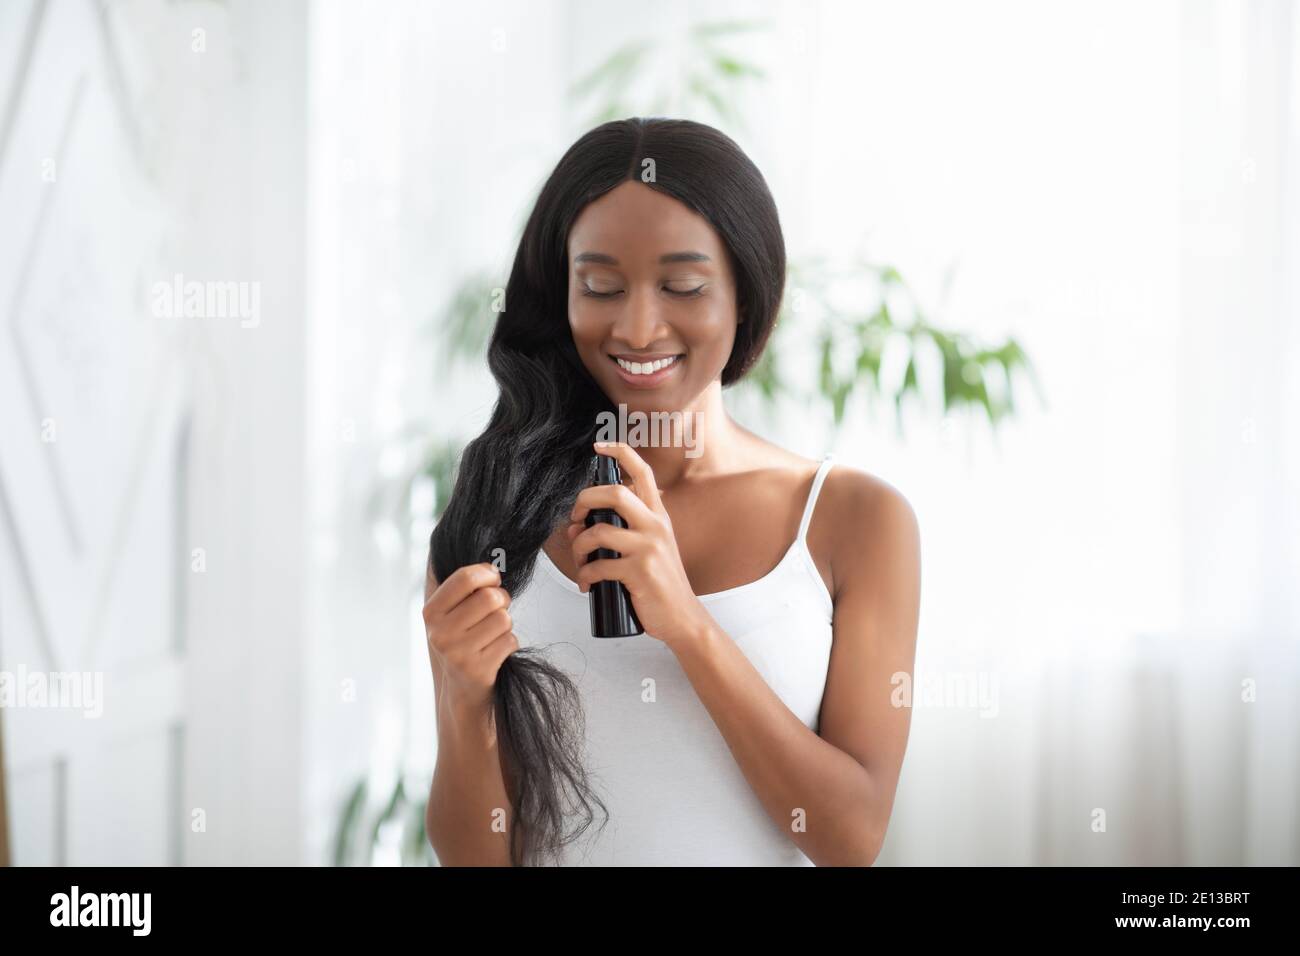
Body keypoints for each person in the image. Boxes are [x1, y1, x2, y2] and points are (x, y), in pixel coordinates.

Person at [424, 118, 920, 866]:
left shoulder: (854, 520)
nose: (638, 326)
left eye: (683, 286)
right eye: (600, 286)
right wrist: (465, 702)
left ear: (746, 297)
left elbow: (850, 838)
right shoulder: (498, 505)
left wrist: (686, 623)